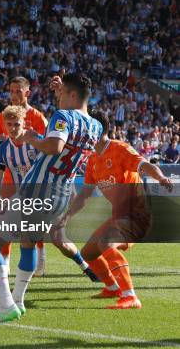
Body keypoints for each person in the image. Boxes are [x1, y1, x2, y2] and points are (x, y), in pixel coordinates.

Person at [0, 73, 103, 322]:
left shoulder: (63, 116)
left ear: (73, 95)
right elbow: (70, 135)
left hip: (38, 190)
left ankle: (6, 304)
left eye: (62, 93)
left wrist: (32, 138)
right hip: (62, 193)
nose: (58, 99)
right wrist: (60, 92)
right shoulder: (96, 126)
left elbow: (55, 145)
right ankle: (18, 302)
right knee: (28, 241)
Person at [64, 111, 173, 309]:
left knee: (107, 243)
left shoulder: (120, 148)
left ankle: (130, 295)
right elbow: (85, 195)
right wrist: (67, 216)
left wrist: (161, 178)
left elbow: (144, 165)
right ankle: (112, 288)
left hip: (137, 216)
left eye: (85, 128)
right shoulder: (92, 160)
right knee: (88, 253)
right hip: (119, 217)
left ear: (96, 129)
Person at [0, 76, 47, 274]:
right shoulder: (4, 115)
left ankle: (40, 255)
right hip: (10, 176)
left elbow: (50, 146)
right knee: (2, 220)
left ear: (27, 93)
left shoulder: (38, 117)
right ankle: (4, 262)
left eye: (18, 91)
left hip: (33, 180)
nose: (14, 95)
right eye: (12, 91)